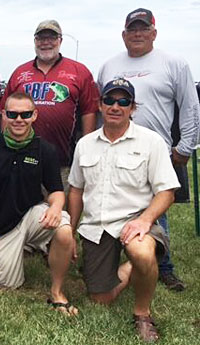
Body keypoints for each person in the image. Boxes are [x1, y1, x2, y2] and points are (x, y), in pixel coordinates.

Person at [68, 78, 179, 342]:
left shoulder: (152, 142)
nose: (115, 106)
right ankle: (131, 269)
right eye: (109, 100)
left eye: (123, 101)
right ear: (100, 105)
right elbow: (75, 190)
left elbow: (166, 192)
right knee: (100, 299)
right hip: (98, 227)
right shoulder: (85, 144)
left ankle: (142, 313)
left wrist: (145, 221)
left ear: (133, 107)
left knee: (141, 251)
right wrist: (70, 232)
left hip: (136, 220)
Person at [97, 8, 199, 291]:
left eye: (143, 28)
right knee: (117, 203)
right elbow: (101, 106)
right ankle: (110, 256)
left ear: (154, 32)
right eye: (132, 29)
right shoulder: (108, 66)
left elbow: (190, 106)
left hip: (158, 149)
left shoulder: (174, 63)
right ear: (123, 34)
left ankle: (162, 267)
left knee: (156, 208)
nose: (137, 34)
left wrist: (186, 145)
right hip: (116, 147)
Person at [0, 92, 77, 315]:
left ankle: (57, 291)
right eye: (13, 114)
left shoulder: (46, 150)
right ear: (3, 115)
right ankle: (23, 248)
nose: (19, 119)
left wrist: (56, 207)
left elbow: (56, 191)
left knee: (64, 230)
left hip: (32, 215)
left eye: (25, 114)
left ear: (34, 115)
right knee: (7, 283)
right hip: (2, 226)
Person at [0, 19, 99, 182]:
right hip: (21, 158)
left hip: (63, 161)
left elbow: (89, 111)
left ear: (60, 40)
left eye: (51, 38)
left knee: (60, 205)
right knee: (23, 204)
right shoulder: (20, 72)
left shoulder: (79, 71)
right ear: (34, 41)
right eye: (41, 38)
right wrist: (4, 148)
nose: (46, 43)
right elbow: (5, 112)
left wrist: (87, 149)